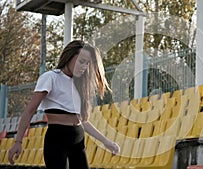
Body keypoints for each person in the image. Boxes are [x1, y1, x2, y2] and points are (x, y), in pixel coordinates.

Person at [8, 40, 120, 169]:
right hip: (57, 139)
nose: (84, 66)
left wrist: (106, 142)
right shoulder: (51, 77)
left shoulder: (80, 85)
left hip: (78, 139)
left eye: (87, 64)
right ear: (69, 57)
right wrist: (18, 141)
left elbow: (82, 121)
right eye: (81, 61)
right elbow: (29, 111)